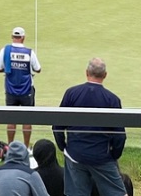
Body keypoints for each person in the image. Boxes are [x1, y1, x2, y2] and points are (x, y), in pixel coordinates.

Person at [52, 57, 127, 196]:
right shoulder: (112, 99)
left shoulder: (71, 93)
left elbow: (57, 125)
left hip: (75, 154)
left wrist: (64, 147)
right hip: (102, 157)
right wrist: (114, 155)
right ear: (105, 75)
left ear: (86, 72)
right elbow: (120, 136)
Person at [0, 26, 41, 148]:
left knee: (11, 120)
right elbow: (38, 69)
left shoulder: (5, 51)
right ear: (23, 38)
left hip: (11, 90)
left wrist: (10, 68)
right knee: (27, 120)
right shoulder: (29, 52)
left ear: (12, 37)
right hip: (27, 90)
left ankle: (10, 147)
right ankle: (26, 147)